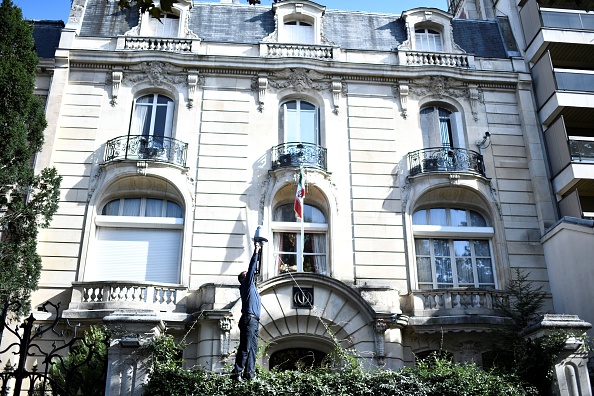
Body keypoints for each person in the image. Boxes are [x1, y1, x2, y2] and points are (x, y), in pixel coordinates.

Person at [231, 242, 261, 381]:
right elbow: (252, 268)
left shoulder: (252, 288)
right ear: (243, 279)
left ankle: (249, 373)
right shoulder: (246, 285)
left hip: (254, 321)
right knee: (245, 347)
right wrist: (256, 251)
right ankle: (236, 373)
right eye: (247, 275)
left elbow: (255, 271)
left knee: (253, 349)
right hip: (249, 319)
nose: (250, 275)